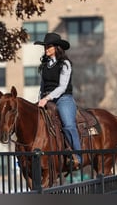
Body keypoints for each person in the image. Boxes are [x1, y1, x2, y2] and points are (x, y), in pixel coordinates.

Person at [34, 32, 82, 168]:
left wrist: (47, 98)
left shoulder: (65, 64)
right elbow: (41, 87)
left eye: (49, 46)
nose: (46, 49)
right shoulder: (44, 65)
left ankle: (78, 156)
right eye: (45, 47)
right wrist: (40, 100)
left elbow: (62, 87)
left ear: (57, 48)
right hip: (46, 98)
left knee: (68, 124)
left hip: (63, 98)